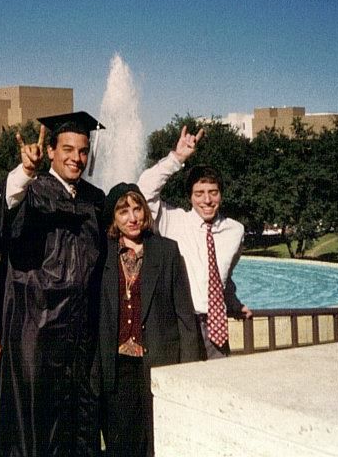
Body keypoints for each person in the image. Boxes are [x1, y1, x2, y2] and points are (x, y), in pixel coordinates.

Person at [0, 114, 106, 457]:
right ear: (51, 151)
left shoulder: (94, 198)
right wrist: (25, 173)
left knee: (79, 422)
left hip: (80, 332)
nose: (76, 158)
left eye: (83, 151)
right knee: (35, 423)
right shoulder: (33, 190)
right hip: (35, 328)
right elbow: (3, 216)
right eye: (68, 149)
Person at [98, 182, 202, 457]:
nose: (132, 218)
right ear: (114, 218)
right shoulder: (102, 253)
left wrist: (187, 372)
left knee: (156, 443)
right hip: (117, 366)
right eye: (123, 212)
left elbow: (185, 317)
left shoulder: (166, 251)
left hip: (158, 363)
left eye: (137, 209)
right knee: (120, 445)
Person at [136, 126, 252, 359]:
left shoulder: (235, 231)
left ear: (221, 194)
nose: (207, 200)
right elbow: (144, 191)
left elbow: (224, 275)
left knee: (218, 387)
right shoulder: (173, 221)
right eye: (199, 193)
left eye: (213, 192)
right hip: (181, 324)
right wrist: (177, 158)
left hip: (216, 328)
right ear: (190, 197)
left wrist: (233, 302)